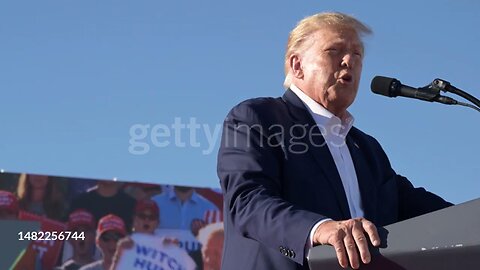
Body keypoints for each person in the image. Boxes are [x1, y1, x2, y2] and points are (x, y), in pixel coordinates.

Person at [217, 12, 453, 270]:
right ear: (297, 65)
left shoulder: (367, 149)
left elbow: (421, 208)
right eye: (334, 50)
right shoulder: (257, 118)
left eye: (357, 54)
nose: (349, 60)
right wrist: (319, 229)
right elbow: (248, 202)